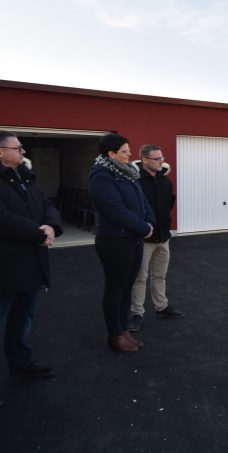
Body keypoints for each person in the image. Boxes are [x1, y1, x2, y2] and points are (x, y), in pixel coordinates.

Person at [0, 132, 63, 410]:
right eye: (18, 147)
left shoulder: (25, 177)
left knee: (23, 318)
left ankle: (21, 364)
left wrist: (51, 226)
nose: (23, 151)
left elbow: (47, 204)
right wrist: (38, 234)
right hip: (1, 268)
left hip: (32, 265)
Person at [89, 134, 155, 352]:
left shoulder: (127, 173)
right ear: (111, 154)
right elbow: (115, 209)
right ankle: (115, 334)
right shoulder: (101, 175)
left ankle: (123, 328)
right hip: (115, 241)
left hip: (132, 239)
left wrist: (149, 221)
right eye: (125, 151)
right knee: (116, 288)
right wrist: (142, 227)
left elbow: (142, 200)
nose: (129, 154)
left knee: (126, 287)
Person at [128, 145, 184, 333]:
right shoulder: (135, 182)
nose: (162, 161)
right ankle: (137, 313)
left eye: (162, 157)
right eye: (157, 158)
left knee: (160, 275)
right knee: (140, 278)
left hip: (163, 238)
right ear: (144, 160)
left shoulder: (165, 182)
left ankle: (161, 307)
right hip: (144, 239)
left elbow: (167, 206)